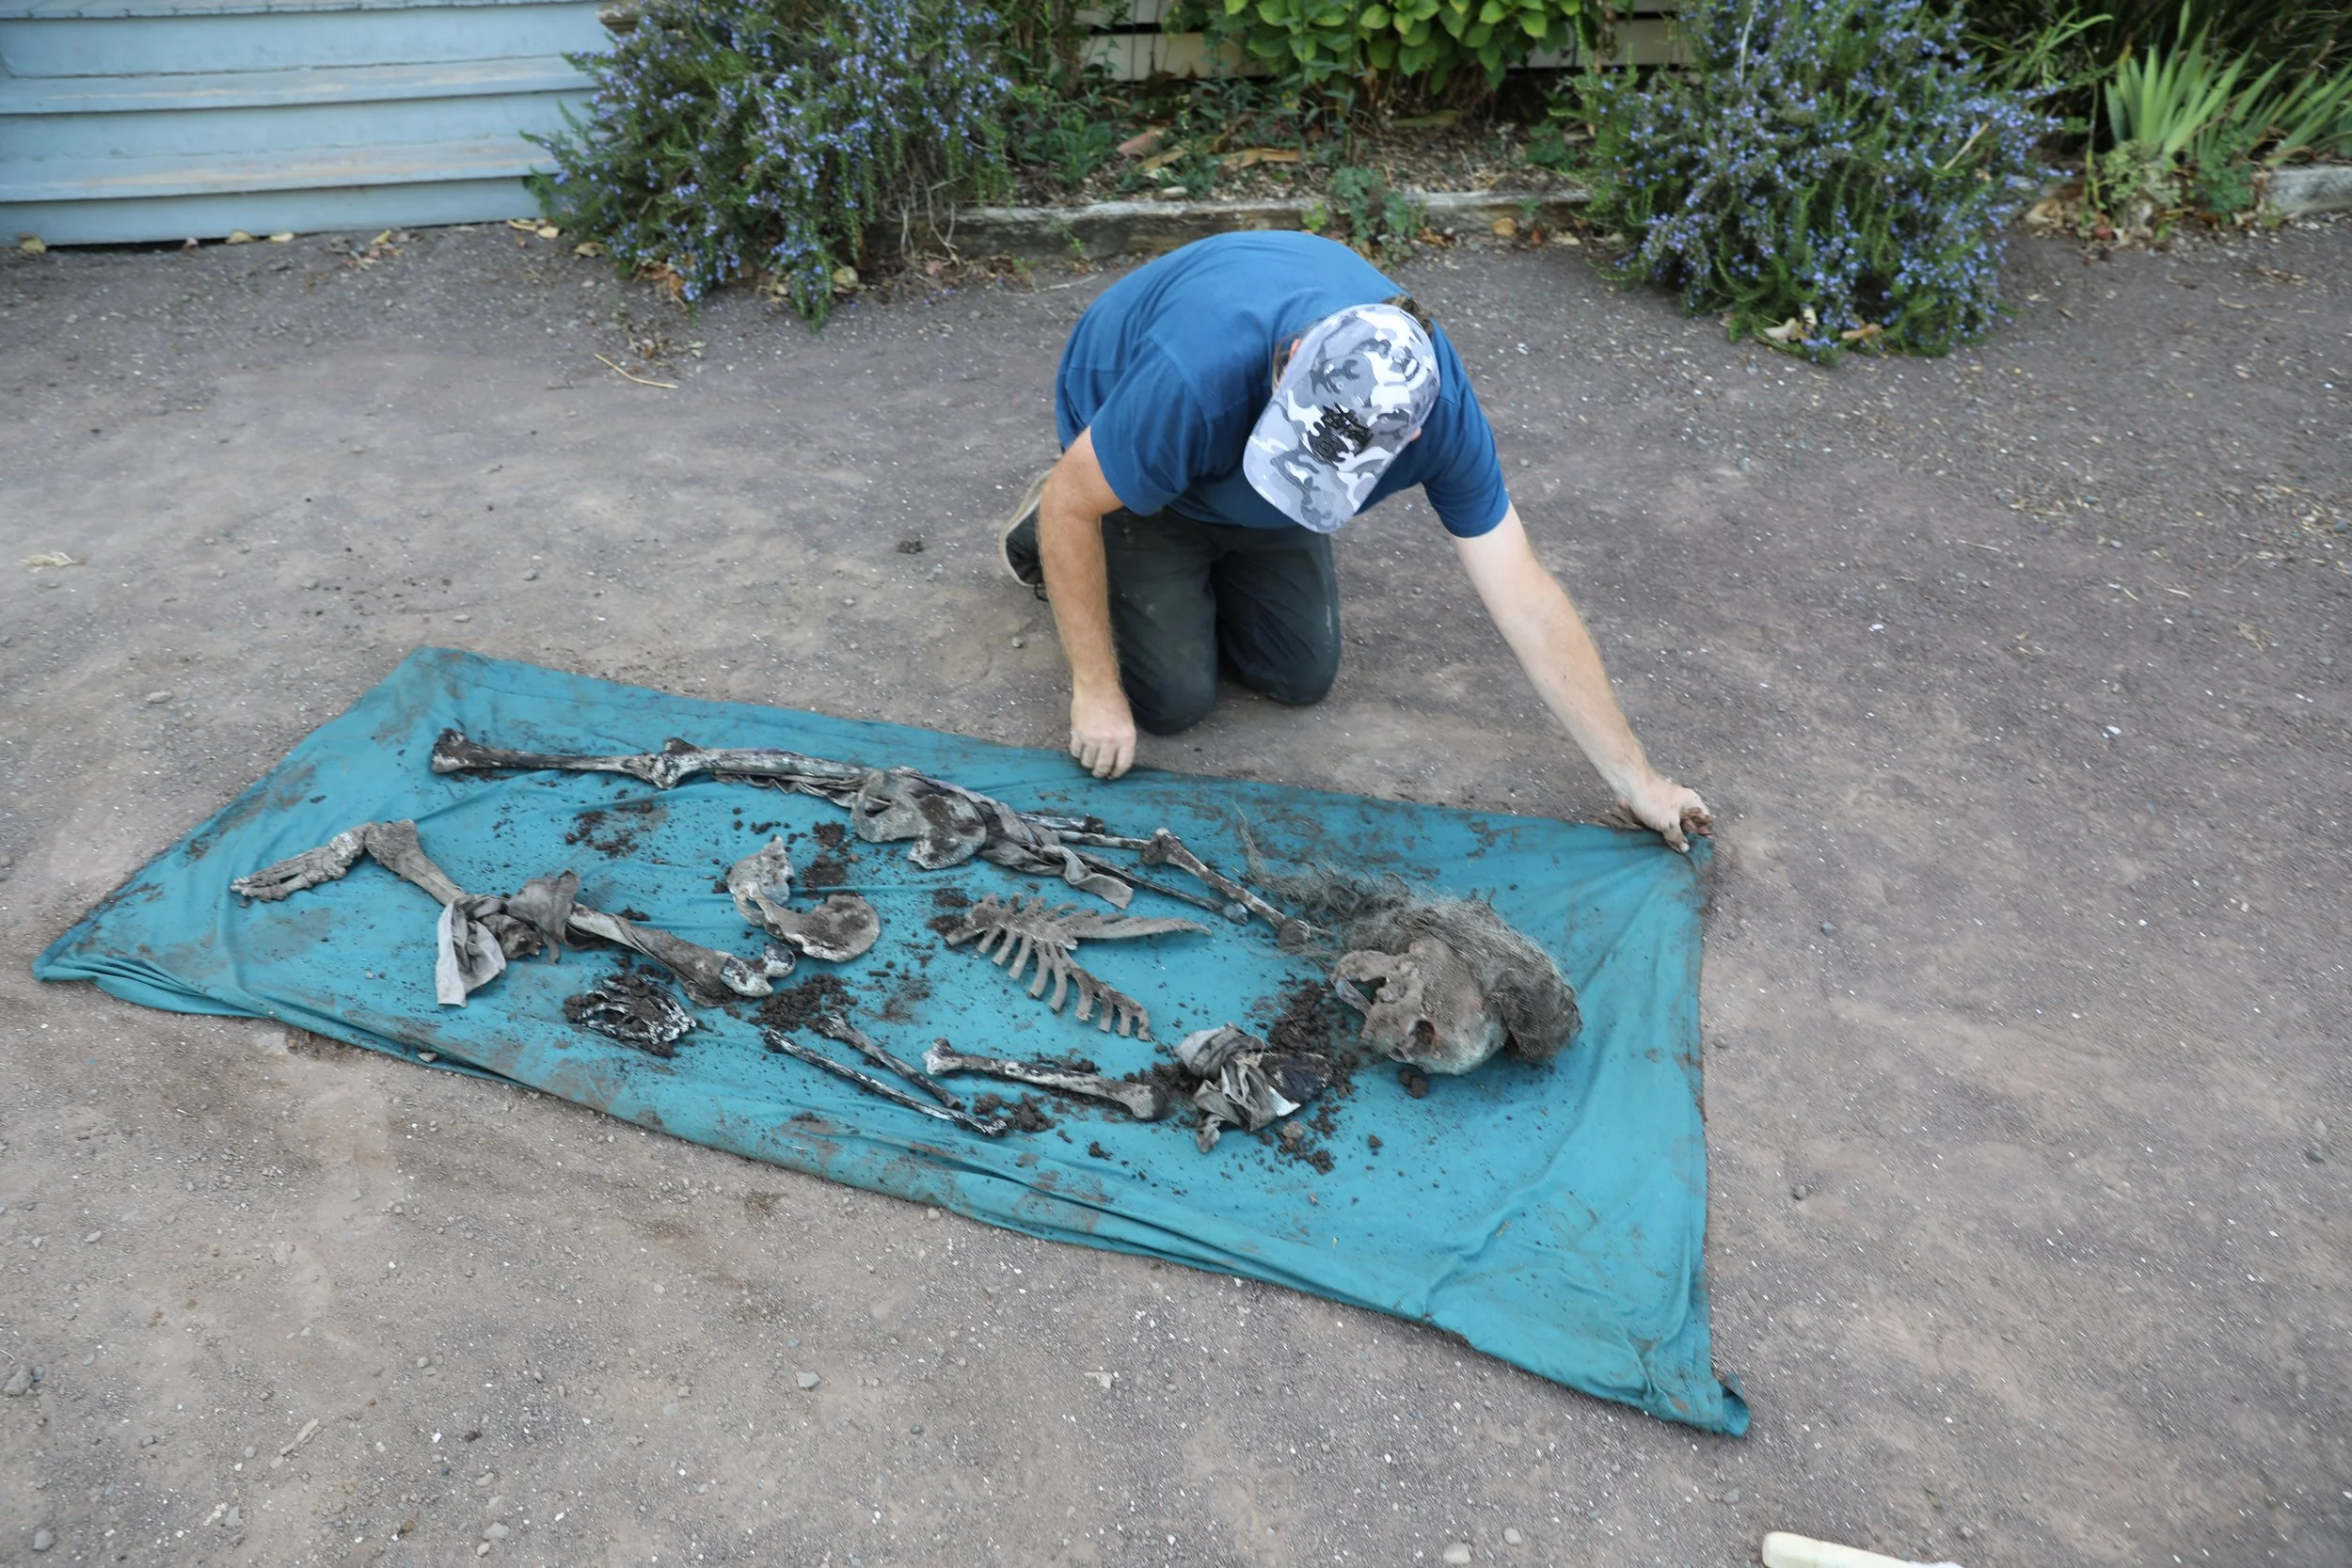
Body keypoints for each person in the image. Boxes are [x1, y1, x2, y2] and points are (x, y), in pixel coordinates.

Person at [996, 230, 1711, 851]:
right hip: (1129, 415)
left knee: (1300, 674)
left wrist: (1637, 778)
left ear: (1413, 432)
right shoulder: (1198, 374)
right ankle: (1088, 518)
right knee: (1172, 702)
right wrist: (1094, 689)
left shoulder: (1439, 410)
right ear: (1296, 355)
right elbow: (1073, 505)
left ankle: (1194, 548)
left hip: (1234, 464)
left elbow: (1525, 597)